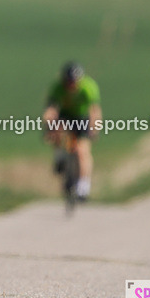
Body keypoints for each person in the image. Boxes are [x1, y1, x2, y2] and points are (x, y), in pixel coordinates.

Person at [42, 62, 101, 201]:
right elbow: (51, 109)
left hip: (81, 117)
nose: (71, 86)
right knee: (55, 129)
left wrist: (94, 128)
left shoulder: (88, 87)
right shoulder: (58, 88)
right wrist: (49, 126)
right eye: (68, 83)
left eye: (74, 83)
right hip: (65, 114)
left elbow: (94, 111)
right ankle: (59, 157)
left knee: (82, 151)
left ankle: (83, 186)